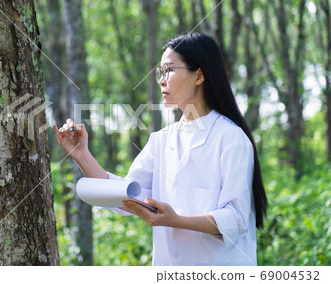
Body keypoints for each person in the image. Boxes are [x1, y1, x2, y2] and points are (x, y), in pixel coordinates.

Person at [53, 32, 268, 266]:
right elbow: (125, 196)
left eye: (169, 70)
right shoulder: (161, 140)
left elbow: (235, 219)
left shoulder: (231, 138)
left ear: (199, 75)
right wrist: (82, 154)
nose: (161, 80)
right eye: (160, 72)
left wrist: (177, 220)